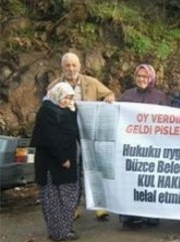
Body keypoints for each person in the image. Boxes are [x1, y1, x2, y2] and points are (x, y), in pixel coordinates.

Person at [48, 52, 114, 221]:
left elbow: (109, 94)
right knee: (72, 170)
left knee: (93, 167)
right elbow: (47, 107)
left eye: (74, 65)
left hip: (89, 133)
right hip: (67, 135)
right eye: (67, 65)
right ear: (62, 67)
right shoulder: (55, 86)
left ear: (79, 67)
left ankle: (99, 206)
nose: (71, 69)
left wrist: (108, 98)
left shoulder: (91, 83)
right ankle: (73, 206)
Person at [118, 64, 169, 228]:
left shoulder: (160, 97)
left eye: (145, 76)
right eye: (138, 76)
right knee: (131, 180)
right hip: (131, 146)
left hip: (153, 147)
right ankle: (129, 216)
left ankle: (151, 214)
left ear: (151, 78)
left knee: (151, 180)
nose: (141, 79)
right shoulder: (127, 95)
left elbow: (169, 119)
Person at [31, 82, 80, 241]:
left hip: (66, 165)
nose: (67, 101)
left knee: (68, 197)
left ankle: (64, 229)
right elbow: (48, 138)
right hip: (52, 165)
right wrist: (62, 158)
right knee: (53, 199)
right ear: (57, 94)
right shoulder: (47, 111)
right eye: (66, 97)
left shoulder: (67, 110)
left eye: (70, 97)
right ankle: (59, 233)